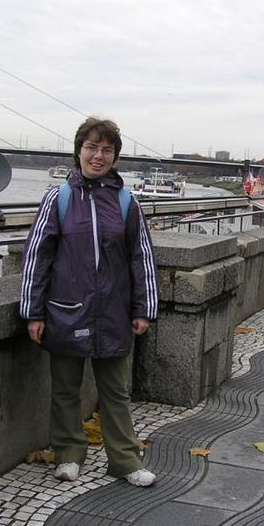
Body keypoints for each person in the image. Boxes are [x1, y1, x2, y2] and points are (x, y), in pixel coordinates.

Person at [20, 117, 159, 486]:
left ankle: (125, 460)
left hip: (113, 313)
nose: (98, 156)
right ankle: (68, 453)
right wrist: (32, 312)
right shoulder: (59, 198)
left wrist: (144, 308)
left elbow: (141, 257)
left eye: (106, 150)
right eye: (92, 148)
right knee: (65, 389)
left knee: (116, 391)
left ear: (115, 157)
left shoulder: (126, 202)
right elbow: (37, 257)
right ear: (78, 151)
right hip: (66, 310)